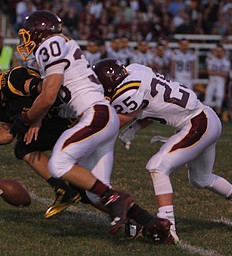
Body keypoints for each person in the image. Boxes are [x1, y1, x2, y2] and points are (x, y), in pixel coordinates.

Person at [15, 10, 175, 242]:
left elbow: (48, 95)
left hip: (95, 114)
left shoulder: (51, 44)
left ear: (40, 33)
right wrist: (36, 119)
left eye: (28, 34)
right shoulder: (62, 45)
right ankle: (153, 225)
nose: (26, 41)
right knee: (94, 191)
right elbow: (53, 94)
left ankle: (116, 197)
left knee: (59, 165)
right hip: (104, 117)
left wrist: (26, 118)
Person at [93, 58, 232, 243]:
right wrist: (135, 129)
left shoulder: (127, 92)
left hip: (198, 123)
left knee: (158, 166)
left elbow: (114, 123)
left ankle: (168, 227)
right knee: (201, 178)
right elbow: (153, 104)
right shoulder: (135, 70)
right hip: (206, 117)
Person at [0, 63, 82, 219]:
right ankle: (63, 190)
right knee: (24, 147)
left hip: (69, 115)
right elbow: (6, 134)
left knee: (87, 189)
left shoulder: (15, 80)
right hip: (56, 125)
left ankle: (118, 206)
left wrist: (36, 120)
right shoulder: (2, 107)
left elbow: (48, 92)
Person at [204, 43, 231, 118]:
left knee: (219, 96)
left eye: (220, 51)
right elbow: (209, 71)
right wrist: (219, 73)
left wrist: (215, 72)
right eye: (217, 51)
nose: (219, 53)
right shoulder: (211, 58)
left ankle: (218, 116)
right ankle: (206, 116)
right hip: (212, 80)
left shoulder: (225, 60)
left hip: (221, 80)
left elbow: (225, 74)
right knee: (208, 96)